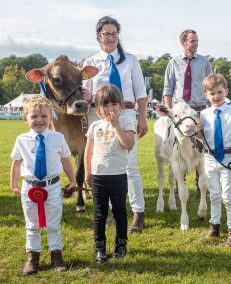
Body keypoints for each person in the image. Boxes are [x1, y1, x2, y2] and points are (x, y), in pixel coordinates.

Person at [82, 16, 148, 233]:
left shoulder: (130, 60)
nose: (110, 37)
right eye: (106, 34)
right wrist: (83, 91)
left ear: (118, 36)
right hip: (100, 119)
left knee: (130, 166)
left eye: (114, 34)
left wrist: (142, 117)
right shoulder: (90, 63)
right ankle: (113, 211)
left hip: (127, 114)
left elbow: (140, 91)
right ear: (98, 36)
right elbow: (87, 92)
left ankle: (138, 213)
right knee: (106, 165)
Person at [10, 96, 77, 275]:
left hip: (52, 187)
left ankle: (56, 254)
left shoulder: (58, 138)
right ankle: (33, 257)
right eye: (34, 116)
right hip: (30, 188)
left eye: (44, 116)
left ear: (51, 118)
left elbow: (66, 160)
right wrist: (13, 184)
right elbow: (16, 163)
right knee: (31, 223)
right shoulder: (21, 140)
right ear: (26, 118)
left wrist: (73, 181)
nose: (39, 120)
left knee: (54, 222)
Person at [84, 85, 135, 263]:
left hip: (118, 175)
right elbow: (88, 152)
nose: (110, 109)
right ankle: (100, 248)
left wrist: (116, 126)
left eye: (114, 104)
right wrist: (88, 173)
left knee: (120, 211)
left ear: (120, 105)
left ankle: (121, 244)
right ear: (98, 108)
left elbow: (128, 145)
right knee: (100, 213)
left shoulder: (127, 123)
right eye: (105, 105)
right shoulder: (94, 126)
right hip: (99, 176)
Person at [199, 74, 231, 246]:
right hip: (210, 159)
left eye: (219, 92)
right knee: (215, 194)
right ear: (206, 95)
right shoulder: (204, 114)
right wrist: (196, 130)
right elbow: (201, 136)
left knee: (228, 196)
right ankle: (214, 226)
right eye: (212, 93)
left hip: (227, 158)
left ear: (226, 91)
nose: (216, 96)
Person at [163, 29, 212, 112]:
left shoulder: (205, 62)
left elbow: (211, 87)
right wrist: (169, 111)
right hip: (179, 111)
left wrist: (211, 109)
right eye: (192, 41)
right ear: (184, 43)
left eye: (197, 41)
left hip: (200, 110)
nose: (196, 44)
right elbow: (168, 89)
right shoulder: (173, 63)